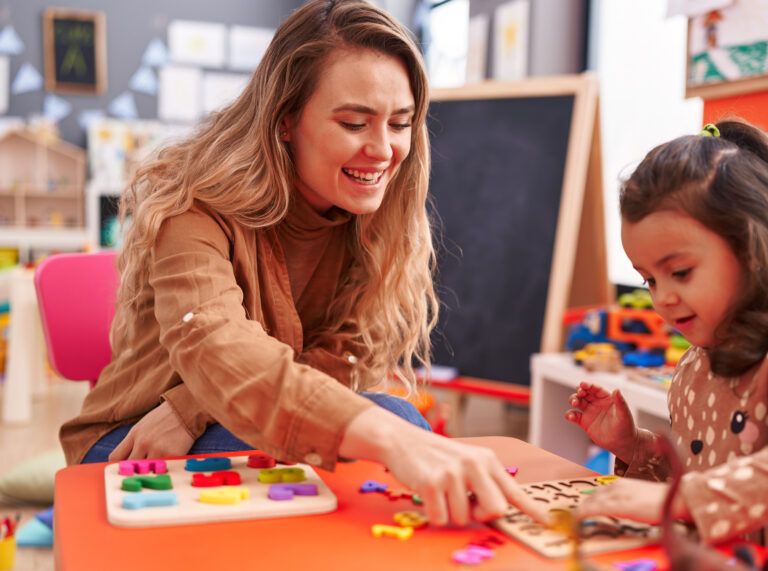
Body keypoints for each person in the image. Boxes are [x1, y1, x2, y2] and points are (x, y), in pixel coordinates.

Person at [60, 0, 548, 528]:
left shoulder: (373, 220)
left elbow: (338, 357)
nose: (383, 150)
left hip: (221, 420)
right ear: (286, 119)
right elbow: (217, 348)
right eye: (354, 122)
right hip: (130, 441)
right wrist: (394, 438)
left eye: (400, 123)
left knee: (385, 437)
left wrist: (192, 406)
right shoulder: (193, 208)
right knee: (391, 422)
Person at [565, 120, 768, 569]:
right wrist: (633, 445)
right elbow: (700, 479)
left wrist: (676, 503)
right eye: (648, 279)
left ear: (751, 251)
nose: (663, 297)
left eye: (680, 272)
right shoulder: (697, 361)